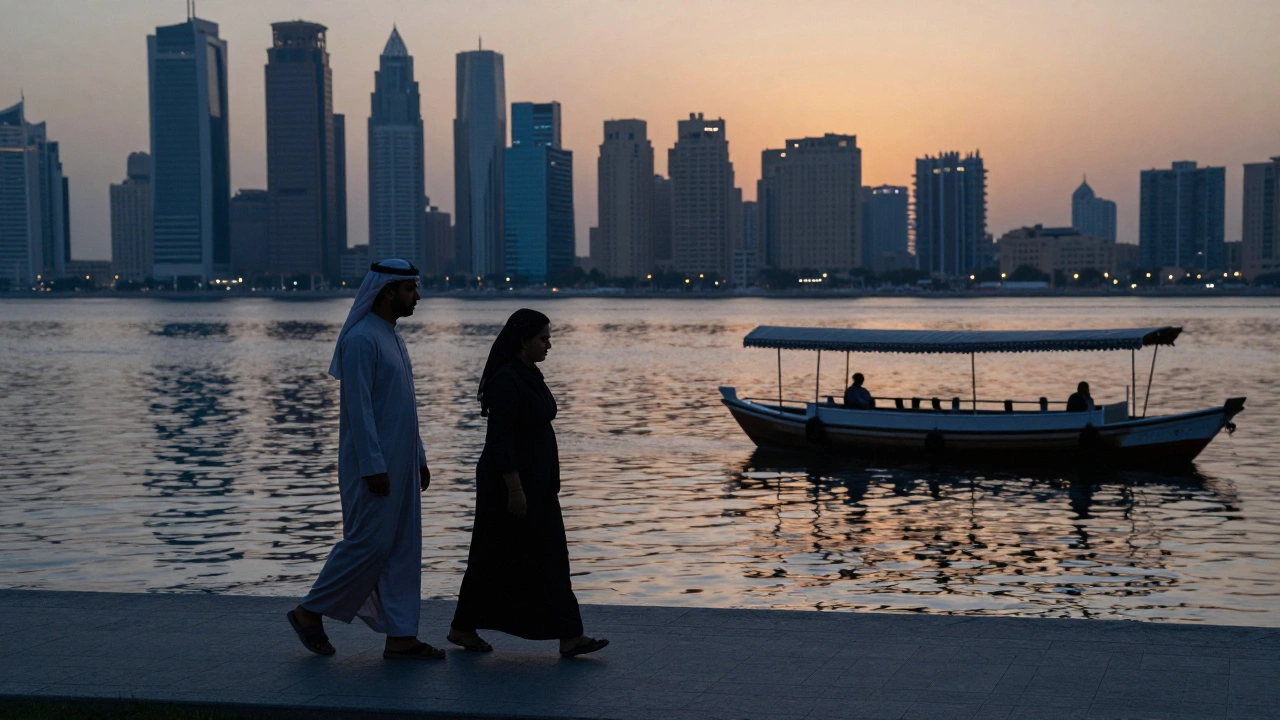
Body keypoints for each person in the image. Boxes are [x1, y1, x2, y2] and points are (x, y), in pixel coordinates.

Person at [286, 259, 444, 661]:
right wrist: (374, 466)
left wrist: (419, 457)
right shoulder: (361, 340)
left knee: (404, 550)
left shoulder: (392, 338)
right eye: (410, 290)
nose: (417, 297)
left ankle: (401, 637)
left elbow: (404, 407)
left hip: (401, 464)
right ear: (388, 291)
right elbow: (359, 411)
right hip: (372, 468)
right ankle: (308, 611)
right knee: (368, 545)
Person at [447, 309, 609, 658]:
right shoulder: (507, 380)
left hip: (536, 487)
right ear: (523, 342)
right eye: (543, 339)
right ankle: (465, 628)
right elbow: (500, 439)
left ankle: (568, 635)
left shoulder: (529, 373)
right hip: (510, 487)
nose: (549, 345)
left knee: (546, 557)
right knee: (495, 554)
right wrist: (515, 489)